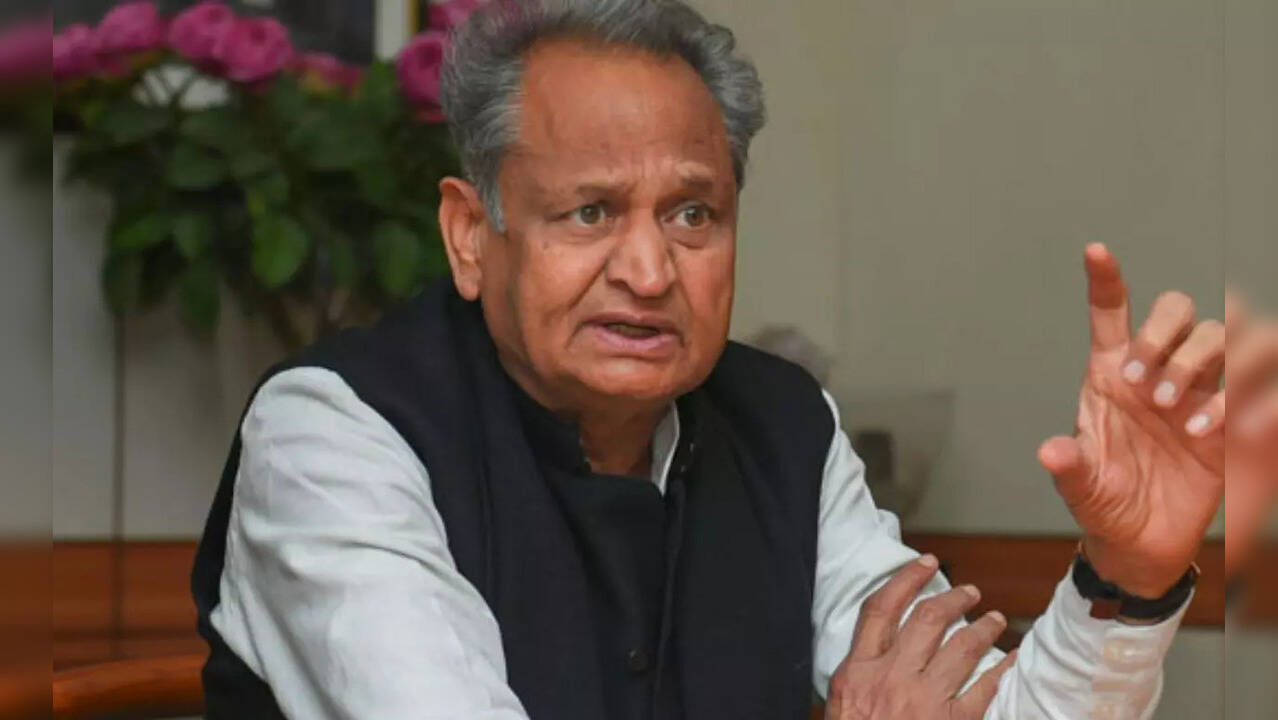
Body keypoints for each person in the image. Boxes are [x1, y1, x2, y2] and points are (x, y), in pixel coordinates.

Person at [190, 1, 1237, 718]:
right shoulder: (337, 434)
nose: (649, 271)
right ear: (472, 236)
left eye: (693, 213)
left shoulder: (782, 425)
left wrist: (1130, 574)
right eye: (590, 212)